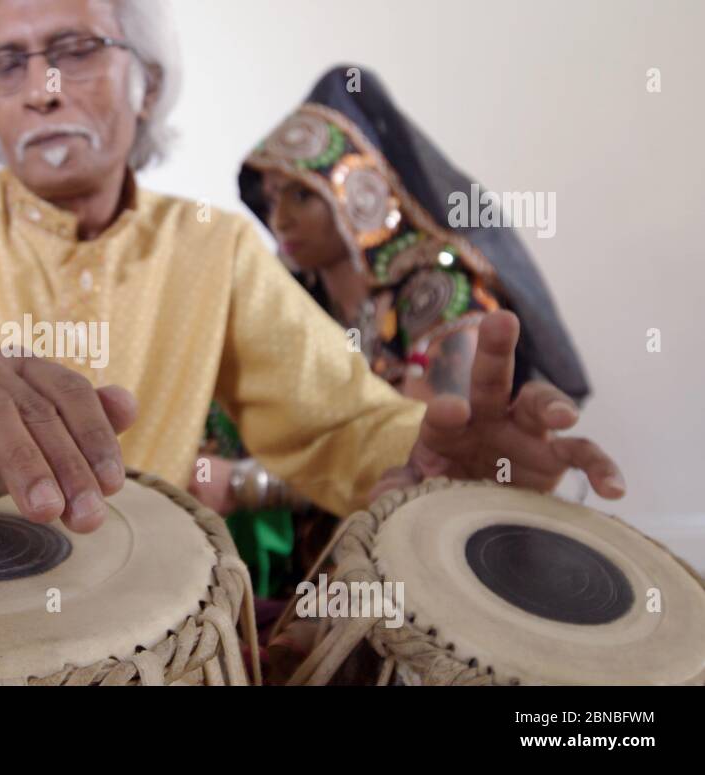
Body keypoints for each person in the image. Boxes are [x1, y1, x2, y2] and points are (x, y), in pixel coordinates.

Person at [0, 0, 622, 577]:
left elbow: (345, 434)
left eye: (74, 49)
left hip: (148, 643)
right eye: (7, 62)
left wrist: (446, 455)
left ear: (147, 79)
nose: (42, 87)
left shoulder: (214, 253)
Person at [190, 65, 592, 598]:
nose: (278, 216)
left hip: (415, 567)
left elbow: (425, 470)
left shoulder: (439, 294)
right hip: (310, 558)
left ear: (362, 190)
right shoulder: (295, 299)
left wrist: (247, 483)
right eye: (271, 196)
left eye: (301, 195)